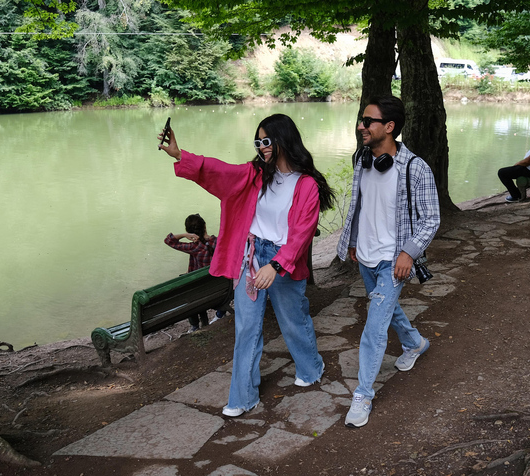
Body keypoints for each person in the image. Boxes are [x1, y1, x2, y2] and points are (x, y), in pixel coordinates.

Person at [159, 113, 333, 417]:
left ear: (283, 139)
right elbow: (220, 171)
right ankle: (243, 397)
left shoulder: (307, 185)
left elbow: (302, 233)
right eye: (258, 141)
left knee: (293, 321)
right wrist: (179, 155)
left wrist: (276, 266)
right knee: (247, 327)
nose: (262, 146)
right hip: (250, 258)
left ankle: (311, 367)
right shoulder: (255, 173)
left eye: (267, 141)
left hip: (283, 262)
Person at [336, 95, 440, 428]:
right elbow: (360, 207)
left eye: (368, 121)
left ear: (389, 127)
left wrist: (409, 252)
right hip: (365, 256)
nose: (360, 126)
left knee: (374, 327)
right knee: (388, 308)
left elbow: (431, 218)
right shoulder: (362, 160)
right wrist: (353, 241)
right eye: (361, 120)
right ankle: (415, 343)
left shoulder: (414, 168)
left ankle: (363, 395)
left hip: (392, 261)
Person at [164, 213, 224, 331]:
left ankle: (195, 326)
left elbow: (169, 240)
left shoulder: (194, 248)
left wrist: (184, 235)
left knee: (188, 292)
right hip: (220, 291)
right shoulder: (218, 242)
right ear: (205, 226)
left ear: (191, 232)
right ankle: (220, 314)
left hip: (200, 294)